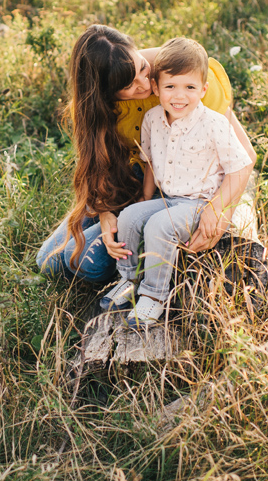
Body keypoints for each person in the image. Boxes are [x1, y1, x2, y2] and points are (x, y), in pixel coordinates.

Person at [35, 25, 255, 285]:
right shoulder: (93, 108)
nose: (144, 85)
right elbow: (98, 166)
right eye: (128, 87)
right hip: (131, 180)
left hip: (189, 183)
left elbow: (246, 156)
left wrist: (221, 213)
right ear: (105, 93)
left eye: (141, 68)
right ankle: (118, 230)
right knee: (47, 263)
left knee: (89, 267)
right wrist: (105, 214)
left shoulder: (181, 73)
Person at [98, 38, 252, 327]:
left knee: (159, 225)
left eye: (190, 88)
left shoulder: (214, 123)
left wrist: (217, 209)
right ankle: (129, 279)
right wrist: (145, 198)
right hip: (168, 198)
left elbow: (240, 165)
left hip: (200, 202)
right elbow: (150, 162)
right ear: (156, 88)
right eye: (170, 87)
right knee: (130, 216)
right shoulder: (153, 119)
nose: (179, 96)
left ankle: (155, 295)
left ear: (203, 90)